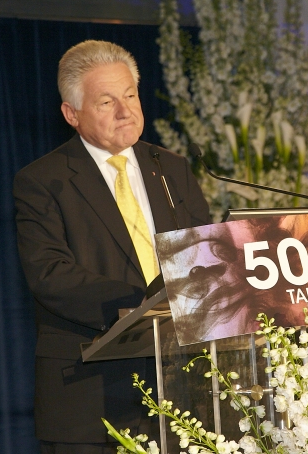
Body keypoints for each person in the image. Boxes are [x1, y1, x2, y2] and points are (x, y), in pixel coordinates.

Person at [13, 40, 210, 454]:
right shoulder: (42, 180)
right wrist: (148, 303)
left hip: (181, 393)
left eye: (130, 95)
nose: (126, 111)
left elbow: (202, 255)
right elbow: (50, 274)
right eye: (106, 102)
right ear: (72, 114)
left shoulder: (170, 168)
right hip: (90, 394)